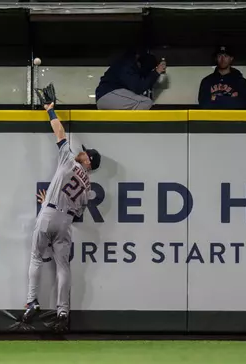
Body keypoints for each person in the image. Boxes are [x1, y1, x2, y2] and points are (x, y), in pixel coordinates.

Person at [19, 91, 101, 333]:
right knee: (63, 267)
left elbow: (59, 132)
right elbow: (78, 214)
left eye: (85, 153)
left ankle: (32, 301)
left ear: (88, 162)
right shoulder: (89, 186)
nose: (82, 152)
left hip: (49, 214)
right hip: (65, 222)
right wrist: (53, 203)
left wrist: (50, 110)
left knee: (36, 257)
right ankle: (63, 309)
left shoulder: (69, 161)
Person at [95, 49, 166, 110]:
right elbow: (139, 87)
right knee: (145, 102)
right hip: (108, 94)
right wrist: (156, 72)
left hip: (108, 97)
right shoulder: (127, 64)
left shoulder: (125, 62)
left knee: (138, 102)